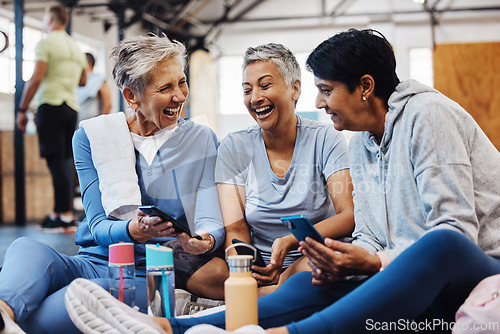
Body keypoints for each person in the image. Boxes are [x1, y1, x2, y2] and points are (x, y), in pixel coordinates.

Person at [64, 28, 500, 334]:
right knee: (323, 278)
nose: (318, 101)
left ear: (365, 86)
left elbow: (456, 234)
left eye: (326, 90)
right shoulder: (364, 142)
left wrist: (371, 262)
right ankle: (168, 326)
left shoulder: (427, 116)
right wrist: (350, 259)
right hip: (407, 271)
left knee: (436, 245)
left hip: (475, 267)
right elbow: (369, 232)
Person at [0, 34, 227, 334]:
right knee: (26, 248)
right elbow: (97, 226)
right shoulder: (92, 136)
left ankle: (16, 316)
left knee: (69, 304)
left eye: (181, 82)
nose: (179, 95)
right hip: (92, 259)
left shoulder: (200, 139)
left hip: (145, 272)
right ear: (132, 96)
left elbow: (211, 216)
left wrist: (207, 239)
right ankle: (3, 312)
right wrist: (134, 229)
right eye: (165, 88)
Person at [216, 43, 354, 293]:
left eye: (265, 85)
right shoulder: (233, 146)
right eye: (247, 90)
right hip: (262, 269)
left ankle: (271, 294)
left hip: (311, 259)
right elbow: (235, 229)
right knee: (201, 267)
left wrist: (290, 241)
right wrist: (244, 272)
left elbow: (348, 215)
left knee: (313, 268)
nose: (255, 97)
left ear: (295, 88)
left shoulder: (326, 138)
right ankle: (265, 294)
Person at [16, 4, 87, 233]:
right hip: (71, 107)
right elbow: (83, 80)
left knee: (56, 161)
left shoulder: (46, 43)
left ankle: (65, 215)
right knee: (64, 160)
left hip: (51, 105)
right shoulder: (75, 47)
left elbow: (36, 78)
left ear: (50, 19)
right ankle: (58, 211)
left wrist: (22, 108)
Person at [77, 52, 112, 123]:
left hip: (92, 125)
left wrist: (101, 124)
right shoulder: (78, 81)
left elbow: (108, 104)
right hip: (76, 126)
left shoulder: (100, 80)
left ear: (88, 62)